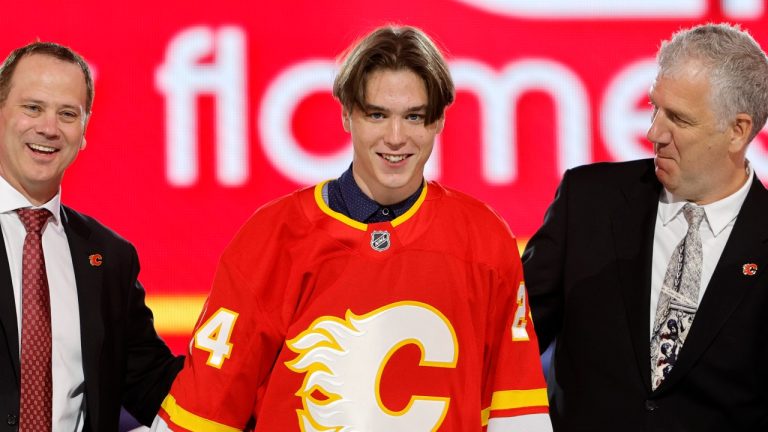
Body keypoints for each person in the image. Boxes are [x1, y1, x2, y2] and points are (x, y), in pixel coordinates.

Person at [153, 25, 551, 431]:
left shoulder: (484, 239)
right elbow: (204, 411)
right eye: (377, 114)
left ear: (438, 122)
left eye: (413, 116)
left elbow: (517, 416)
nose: (396, 138)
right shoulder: (272, 237)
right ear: (346, 114)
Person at [522, 23, 768, 431]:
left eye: (679, 119)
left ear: (738, 131)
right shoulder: (587, 202)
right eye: (655, 107)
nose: (654, 132)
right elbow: (512, 341)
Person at [0, 42, 183, 431]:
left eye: (68, 114)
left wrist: (251, 370)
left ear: (84, 130)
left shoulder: (109, 257)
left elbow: (152, 381)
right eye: (32, 108)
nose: (48, 127)